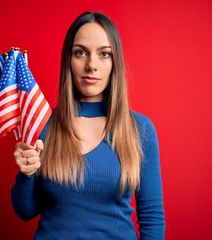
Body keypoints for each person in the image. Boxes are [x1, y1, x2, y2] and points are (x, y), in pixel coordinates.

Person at [11, 12, 165, 239]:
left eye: (104, 54)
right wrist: (26, 173)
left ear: (115, 62)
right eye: (80, 53)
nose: (91, 65)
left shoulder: (140, 129)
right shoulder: (43, 124)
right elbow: (25, 211)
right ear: (68, 60)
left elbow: (152, 220)